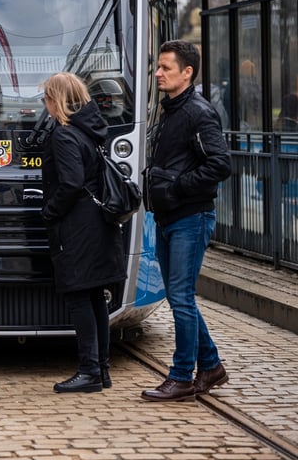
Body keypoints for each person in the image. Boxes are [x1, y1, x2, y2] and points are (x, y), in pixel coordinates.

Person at [141, 39, 232, 402]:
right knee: (182, 299)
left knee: (181, 297)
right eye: (158, 67)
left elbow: (220, 164)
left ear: (187, 72)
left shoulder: (198, 112)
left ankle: (181, 377)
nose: (158, 74)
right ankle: (210, 367)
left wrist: (178, 187)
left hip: (190, 218)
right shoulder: (172, 111)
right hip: (169, 217)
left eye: (166, 68)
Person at [39, 72, 126, 393]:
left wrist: (49, 212)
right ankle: (101, 370)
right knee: (94, 298)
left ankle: (89, 370)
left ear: (55, 100)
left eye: (46, 98)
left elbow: (71, 183)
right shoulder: (90, 130)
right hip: (98, 225)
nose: (45, 104)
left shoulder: (64, 135)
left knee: (79, 297)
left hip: (77, 228)